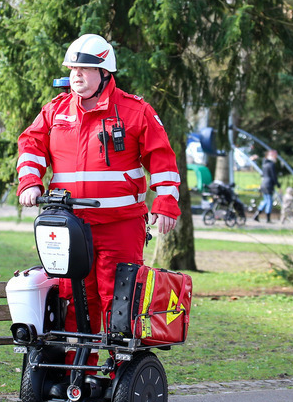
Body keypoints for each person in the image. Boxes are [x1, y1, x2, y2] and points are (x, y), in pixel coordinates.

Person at [17, 34, 181, 339]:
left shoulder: (135, 112)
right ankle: (77, 377)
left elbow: (162, 159)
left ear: (105, 73)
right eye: (72, 69)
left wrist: (166, 203)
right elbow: (31, 145)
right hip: (69, 227)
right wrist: (30, 181)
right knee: (74, 302)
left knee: (118, 302)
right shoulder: (56, 110)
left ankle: (119, 375)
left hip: (120, 226)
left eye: (85, 69)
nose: (76, 74)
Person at [253, 149, 279, 223]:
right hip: (269, 184)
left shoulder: (264, 164)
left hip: (263, 184)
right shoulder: (271, 165)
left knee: (265, 200)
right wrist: (278, 185)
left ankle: (256, 215)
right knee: (269, 201)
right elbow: (274, 176)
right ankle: (268, 219)